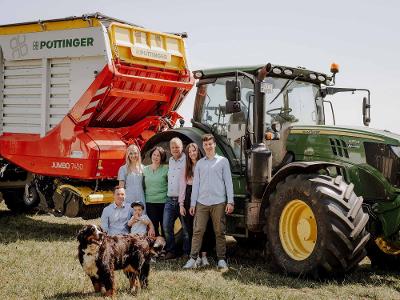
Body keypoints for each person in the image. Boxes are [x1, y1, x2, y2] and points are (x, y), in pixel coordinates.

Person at [183, 134, 234, 271]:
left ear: (214, 144)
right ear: (203, 147)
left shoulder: (223, 161)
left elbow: (228, 182)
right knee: (198, 231)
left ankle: (221, 259)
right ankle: (193, 258)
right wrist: (193, 204)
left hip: (219, 202)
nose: (208, 146)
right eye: (205, 145)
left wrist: (230, 201)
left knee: (219, 231)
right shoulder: (200, 163)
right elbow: (196, 185)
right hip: (202, 203)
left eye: (210, 144)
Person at [179, 142, 215, 266]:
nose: (192, 153)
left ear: (198, 151)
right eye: (189, 152)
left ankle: (204, 256)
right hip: (189, 195)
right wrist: (181, 204)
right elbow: (182, 186)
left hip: (202, 196)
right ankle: (196, 256)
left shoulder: (204, 164)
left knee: (204, 227)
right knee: (191, 228)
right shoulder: (186, 167)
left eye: (194, 151)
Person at [163, 137, 188, 259]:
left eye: (177, 147)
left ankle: (186, 252)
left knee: (186, 228)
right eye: (173, 147)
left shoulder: (186, 160)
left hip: (182, 200)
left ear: (182, 147)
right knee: (167, 226)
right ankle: (171, 250)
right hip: (169, 199)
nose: (175, 149)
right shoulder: (171, 161)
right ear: (170, 149)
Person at [143, 146, 168, 237]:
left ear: (162, 157)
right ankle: (156, 249)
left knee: (165, 227)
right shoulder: (144, 170)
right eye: (154, 154)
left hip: (164, 202)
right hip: (150, 202)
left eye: (158, 155)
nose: (156, 157)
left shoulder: (166, 168)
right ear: (151, 155)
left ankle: (167, 248)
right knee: (153, 227)